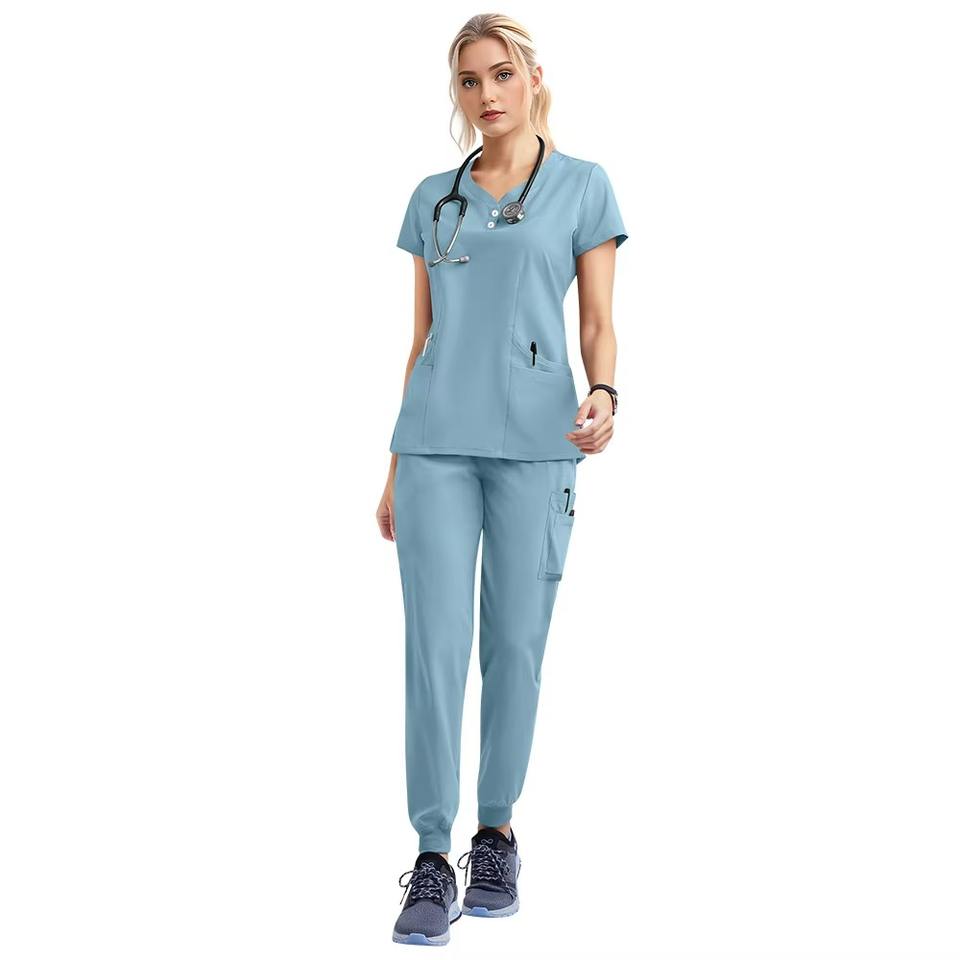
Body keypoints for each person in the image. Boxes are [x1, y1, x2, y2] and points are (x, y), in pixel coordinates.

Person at [375, 13, 628, 946]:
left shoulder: (582, 187)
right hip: (435, 446)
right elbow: (421, 338)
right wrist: (394, 466)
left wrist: (604, 390)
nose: (486, 94)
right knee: (434, 651)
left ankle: (496, 835)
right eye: (470, 80)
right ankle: (431, 854)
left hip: (537, 444)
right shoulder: (432, 200)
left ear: (533, 78)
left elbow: (596, 321)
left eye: (501, 74)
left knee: (515, 646)